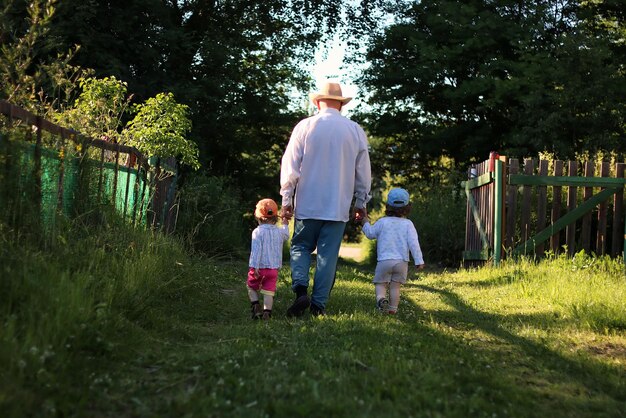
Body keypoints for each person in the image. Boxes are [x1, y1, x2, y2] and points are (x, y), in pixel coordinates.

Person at [280, 81, 372, 317]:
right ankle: (318, 305)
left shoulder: (305, 126)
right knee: (327, 255)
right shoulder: (354, 130)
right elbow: (363, 172)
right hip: (337, 206)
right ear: (340, 105)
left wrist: (286, 199)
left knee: (300, 247)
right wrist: (361, 203)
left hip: (307, 204)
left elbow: (290, 167)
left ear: (318, 102)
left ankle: (301, 290)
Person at [361, 188, 425, 314]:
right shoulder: (408, 224)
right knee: (395, 286)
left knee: (380, 284)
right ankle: (392, 310)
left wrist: (365, 222)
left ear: (388, 206)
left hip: (384, 261)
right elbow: (414, 244)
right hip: (402, 262)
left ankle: (381, 300)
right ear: (408, 207)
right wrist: (419, 260)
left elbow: (370, 234)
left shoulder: (382, 222)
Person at [247, 198, 290, 320]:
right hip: (273, 269)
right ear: (275, 216)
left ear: (258, 217)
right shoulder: (279, 232)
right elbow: (286, 235)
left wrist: (254, 266)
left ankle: (255, 307)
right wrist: (285, 223)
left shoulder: (257, 232)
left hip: (259, 267)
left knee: (251, 287)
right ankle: (267, 313)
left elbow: (256, 251)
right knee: (268, 291)